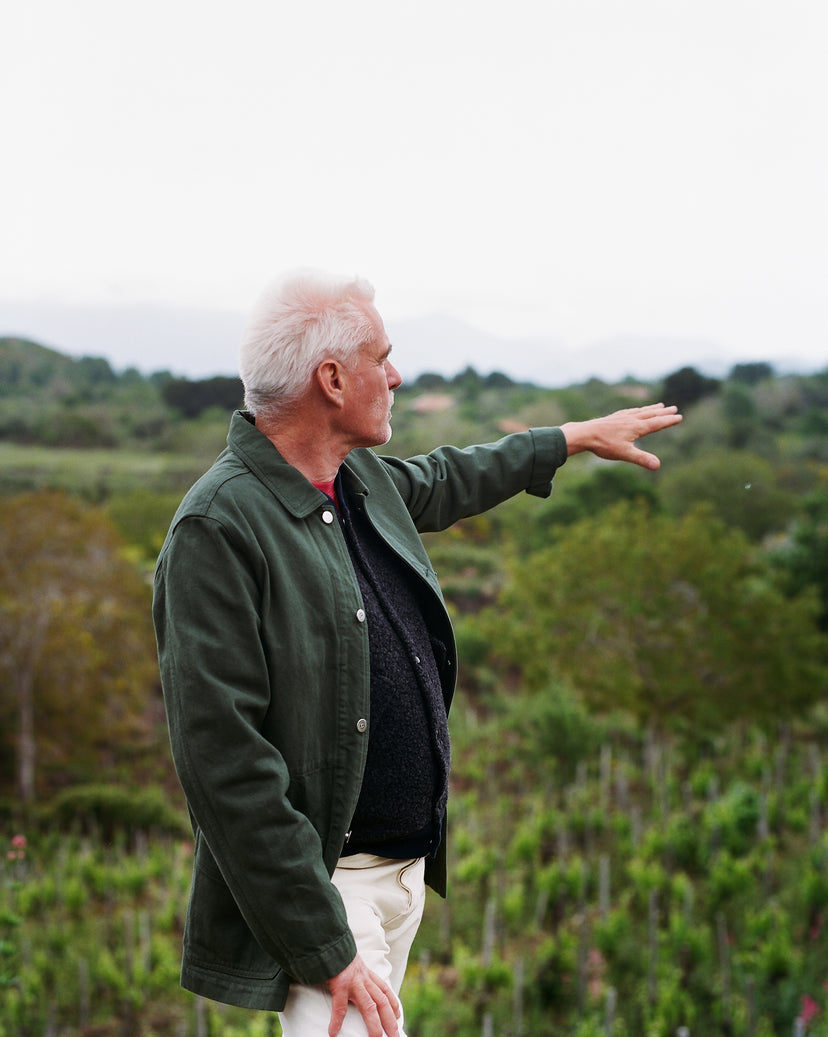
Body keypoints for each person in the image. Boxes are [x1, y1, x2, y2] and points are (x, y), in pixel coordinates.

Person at [152, 270, 682, 1037]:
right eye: (382, 357)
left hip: (400, 878)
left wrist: (569, 439)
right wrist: (321, 941)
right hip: (330, 890)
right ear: (332, 379)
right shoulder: (218, 527)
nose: (396, 375)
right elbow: (224, 764)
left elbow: (445, 478)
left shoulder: (354, 479)